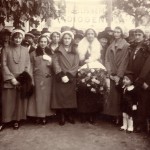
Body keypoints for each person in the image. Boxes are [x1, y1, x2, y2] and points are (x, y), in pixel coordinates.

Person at [0, 29, 31, 131]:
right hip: (9, 79)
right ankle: (5, 120)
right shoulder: (5, 49)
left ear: (22, 38)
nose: (18, 40)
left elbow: (27, 65)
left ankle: (16, 120)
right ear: (12, 38)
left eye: (20, 38)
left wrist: (20, 79)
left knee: (18, 101)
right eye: (16, 38)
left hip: (20, 80)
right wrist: (11, 78)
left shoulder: (25, 50)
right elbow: (3, 65)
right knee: (7, 101)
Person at [51, 31, 79, 126]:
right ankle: (61, 115)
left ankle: (69, 115)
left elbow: (76, 64)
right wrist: (62, 75)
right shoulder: (58, 50)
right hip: (60, 77)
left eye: (68, 38)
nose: (67, 40)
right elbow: (55, 62)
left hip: (70, 77)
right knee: (61, 98)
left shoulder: (75, 50)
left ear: (71, 39)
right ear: (62, 39)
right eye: (65, 38)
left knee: (70, 97)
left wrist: (69, 75)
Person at [104, 26, 129, 124]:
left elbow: (125, 61)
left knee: (120, 96)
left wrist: (119, 75)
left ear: (122, 33)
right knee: (112, 96)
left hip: (120, 75)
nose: (116, 34)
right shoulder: (111, 45)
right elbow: (107, 60)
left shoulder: (126, 45)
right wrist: (110, 73)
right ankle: (112, 115)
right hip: (112, 74)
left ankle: (119, 116)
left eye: (118, 32)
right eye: (115, 32)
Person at [127, 28, 150, 132]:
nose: (137, 36)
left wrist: (144, 80)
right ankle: (133, 123)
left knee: (142, 102)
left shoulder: (147, 48)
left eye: (139, 34)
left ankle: (141, 125)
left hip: (143, 79)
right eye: (135, 34)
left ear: (143, 36)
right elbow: (130, 63)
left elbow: (147, 66)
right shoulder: (132, 47)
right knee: (133, 101)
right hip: (133, 78)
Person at [27, 35, 54, 124]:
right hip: (37, 78)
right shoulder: (33, 53)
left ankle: (45, 115)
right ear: (38, 43)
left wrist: (51, 63)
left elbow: (55, 66)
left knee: (46, 98)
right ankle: (37, 116)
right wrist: (31, 79)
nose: (43, 43)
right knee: (37, 98)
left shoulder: (51, 53)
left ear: (47, 43)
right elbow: (30, 67)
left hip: (48, 78)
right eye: (41, 42)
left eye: (45, 42)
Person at [77, 28, 102, 123]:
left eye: (92, 34)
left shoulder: (97, 44)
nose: (90, 35)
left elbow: (99, 57)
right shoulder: (81, 44)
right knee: (83, 91)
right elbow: (79, 58)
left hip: (95, 70)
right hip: (83, 69)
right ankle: (83, 114)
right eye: (88, 34)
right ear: (86, 35)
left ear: (94, 35)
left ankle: (92, 115)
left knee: (93, 91)